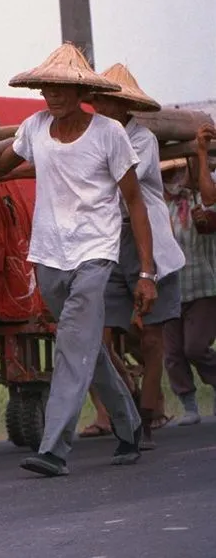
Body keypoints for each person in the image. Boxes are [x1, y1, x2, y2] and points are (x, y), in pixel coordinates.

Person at [0, 42, 151, 477]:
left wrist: (146, 272)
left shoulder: (109, 134)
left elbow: (134, 201)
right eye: (46, 88)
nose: (51, 95)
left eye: (60, 88)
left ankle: (54, 448)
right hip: (49, 254)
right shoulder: (36, 127)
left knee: (71, 344)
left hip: (95, 253)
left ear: (82, 92)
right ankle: (130, 425)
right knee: (85, 346)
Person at [83, 64, 185, 449]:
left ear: (125, 104)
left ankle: (146, 414)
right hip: (108, 240)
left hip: (147, 240)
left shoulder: (142, 139)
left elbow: (114, 179)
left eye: (107, 100)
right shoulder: (92, 135)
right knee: (99, 335)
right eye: (97, 99)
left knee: (153, 337)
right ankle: (128, 397)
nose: (100, 106)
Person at [162, 123, 216, 426]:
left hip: (203, 286)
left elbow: (209, 211)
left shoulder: (197, 200)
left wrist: (201, 154)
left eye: (174, 173)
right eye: (165, 174)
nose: (170, 180)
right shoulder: (160, 207)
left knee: (194, 347)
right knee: (172, 354)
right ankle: (189, 405)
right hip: (172, 288)